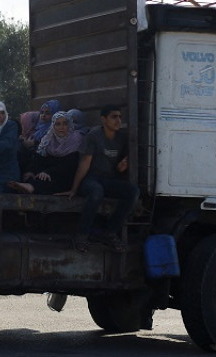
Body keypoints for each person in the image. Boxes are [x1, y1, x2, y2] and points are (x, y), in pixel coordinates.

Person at [66, 105, 139, 252]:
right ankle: (82, 234)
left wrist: (122, 167)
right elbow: (85, 162)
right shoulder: (94, 135)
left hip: (109, 180)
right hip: (91, 179)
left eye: (120, 117)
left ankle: (110, 232)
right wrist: (74, 188)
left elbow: (122, 165)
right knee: (96, 192)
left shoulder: (122, 138)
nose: (118, 120)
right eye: (114, 117)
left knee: (133, 191)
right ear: (103, 119)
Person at [24, 111, 82, 194]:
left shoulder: (75, 140)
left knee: (46, 183)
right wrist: (31, 171)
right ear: (53, 126)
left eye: (65, 124)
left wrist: (49, 172)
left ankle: (31, 187)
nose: (61, 127)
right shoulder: (48, 139)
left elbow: (70, 165)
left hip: (65, 178)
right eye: (57, 124)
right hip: (45, 175)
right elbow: (39, 158)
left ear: (69, 125)